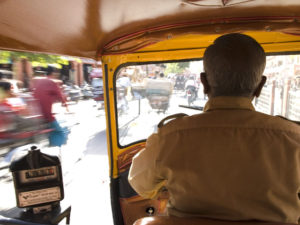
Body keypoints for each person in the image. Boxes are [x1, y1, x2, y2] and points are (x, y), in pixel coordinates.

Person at [128, 33, 300, 223]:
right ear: (260, 86)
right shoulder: (294, 138)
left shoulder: (170, 136)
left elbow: (139, 183)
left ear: (204, 83)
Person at [31, 66, 69, 147]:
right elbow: (60, 96)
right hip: (46, 114)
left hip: (36, 114)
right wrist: (65, 105)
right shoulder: (51, 82)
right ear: (53, 73)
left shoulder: (38, 81)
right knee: (60, 131)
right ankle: (56, 150)